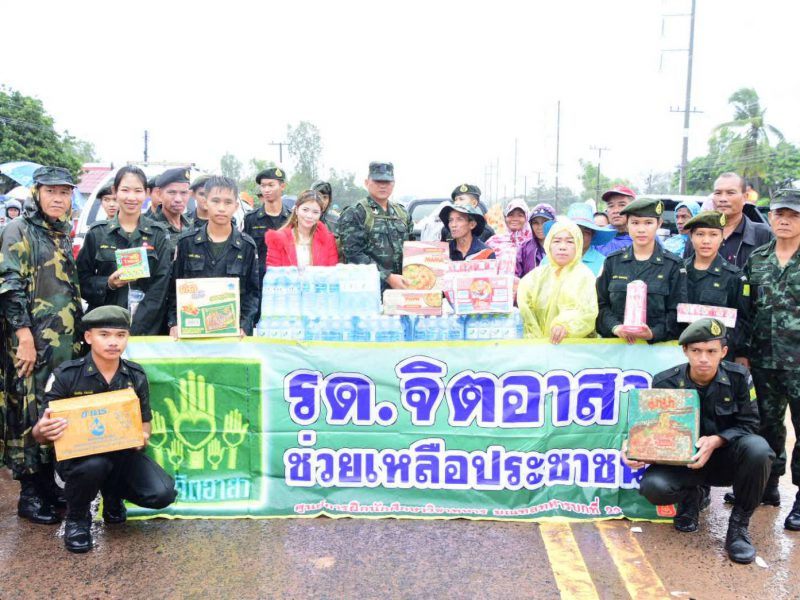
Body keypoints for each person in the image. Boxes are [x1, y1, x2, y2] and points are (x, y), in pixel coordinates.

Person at [622, 318, 774, 564]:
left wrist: (717, 440)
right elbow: (645, 426)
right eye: (696, 351)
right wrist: (632, 447)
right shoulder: (665, 382)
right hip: (683, 462)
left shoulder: (739, 378)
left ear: (723, 352)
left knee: (758, 450)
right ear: (685, 351)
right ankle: (692, 497)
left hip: (725, 459)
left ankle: (738, 529)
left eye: (711, 351)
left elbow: (749, 424)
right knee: (654, 488)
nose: (704, 358)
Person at [32, 306, 177, 553]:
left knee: (162, 494)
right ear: (89, 337)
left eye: (120, 335)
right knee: (94, 465)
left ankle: (112, 495)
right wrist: (43, 430)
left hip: (122, 455)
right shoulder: (66, 376)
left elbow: (145, 422)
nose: (113, 342)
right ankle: (77, 519)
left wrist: (142, 437)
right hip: (79, 459)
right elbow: (39, 434)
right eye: (105, 334)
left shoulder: (135, 375)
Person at [0, 166, 83, 525]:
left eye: (64, 192)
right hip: (30, 341)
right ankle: (30, 495)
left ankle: (48, 486)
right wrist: (23, 337)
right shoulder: (18, 229)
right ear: (36, 193)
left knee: (51, 410)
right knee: (27, 410)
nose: (57, 198)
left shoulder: (59, 232)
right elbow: (9, 284)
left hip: (60, 344)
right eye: (50, 191)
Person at [739, 188, 800, 530]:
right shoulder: (758, 259)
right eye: (780, 214)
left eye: (793, 215)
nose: (785, 221)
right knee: (767, 426)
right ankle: (769, 486)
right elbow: (747, 311)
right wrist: (744, 352)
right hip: (763, 359)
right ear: (771, 217)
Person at [77, 166, 172, 335]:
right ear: (115, 191)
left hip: (146, 330)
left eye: (138, 191)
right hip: (106, 327)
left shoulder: (158, 234)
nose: (131, 197)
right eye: (125, 190)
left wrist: (136, 326)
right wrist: (108, 284)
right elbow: (81, 281)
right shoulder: (98, 233)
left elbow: (161, 286)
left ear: (147, 193)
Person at [168, 176, 259, 336]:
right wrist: (174, 322)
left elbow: (252, 294)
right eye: (215, 201)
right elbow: (173, 288)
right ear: (205, 202)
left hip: (232, 332)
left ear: (236, 206)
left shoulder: (246, 246)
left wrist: (244, 326)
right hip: (192, 328)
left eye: (228, 202)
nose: (221, 208)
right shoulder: (186, 243)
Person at [596, 198, 687, 343]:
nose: (641, 229)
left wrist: (653, 333)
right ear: (627, 225)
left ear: (659, 224)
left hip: (657, 349)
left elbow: (678, 312)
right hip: (616, 347)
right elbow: (600, 305)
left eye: (648, 223)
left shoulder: (673, 265)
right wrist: (615, 327)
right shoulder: (612, 262)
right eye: (635, 223)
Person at [682, 211, 751, 362]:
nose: (706, 240)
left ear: (722, 237)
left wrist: (737, 351)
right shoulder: (678, 272)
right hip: (678, 352)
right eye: (700, 234)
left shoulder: (734, 277)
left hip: (719, 357)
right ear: (691, 237)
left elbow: (742, 320)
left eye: (713, 234)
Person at [517, 217, 598, 342]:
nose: (562, 247)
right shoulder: (536, 277)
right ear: (548, 245)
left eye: (570, 242)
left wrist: (566, 326)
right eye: (557, 241)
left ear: (578, 245)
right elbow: (526, 308)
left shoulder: (585, 276)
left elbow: (587, 314)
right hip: (538, 349)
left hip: (573, 349)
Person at [338, 161, 414, 291]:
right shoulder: (356, 213)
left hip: (401, 289)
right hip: (368, 290)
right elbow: (353, 254)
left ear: (393, 184)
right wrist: (388, 277)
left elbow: (412, 248)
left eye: (387, 182)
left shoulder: (402, 213)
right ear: (367, 182)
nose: (382, 186)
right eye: (378, 181)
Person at [243, 167, 291, 297]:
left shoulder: (292, 219)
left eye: (271, 185)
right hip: (258, 284)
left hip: (288, 283)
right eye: (263, 186)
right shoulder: (251, 219)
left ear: (282, 186)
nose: (266, 190)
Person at [708, 172, 772, 269]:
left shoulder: (764, 235)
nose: (723, 199)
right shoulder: (699, 233)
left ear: (744, 197)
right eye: (718, 193)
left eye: (730, 193)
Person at [266, 190, 338, 270]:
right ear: (296, 210)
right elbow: (273, 275)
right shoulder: (278, 239)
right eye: (305, 210)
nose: (309, 216)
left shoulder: (328, 240)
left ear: (320, 214)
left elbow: (331, 273)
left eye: (315, 212)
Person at [540, 203, 615, 276]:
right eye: (575, 230)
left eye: (585, 232)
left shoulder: (603, 263)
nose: (580, 236)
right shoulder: (549, 260)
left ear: (592, 235)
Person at [149, 167, 193, 254]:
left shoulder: (192, 225)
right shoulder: (149, 228)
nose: (178, 199)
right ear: (159, 194)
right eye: (172, 192)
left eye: (184, 193)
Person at [516, 203, 555, 277]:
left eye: (545, 222)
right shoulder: (524, 248)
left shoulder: (560, 246)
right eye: (535, 223)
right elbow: (517, 275)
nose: (540, 227)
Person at [596, 185, 636, 256]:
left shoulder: (644, 236)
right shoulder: (599, 237)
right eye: (611, 206)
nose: (615, 210)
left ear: (633, 208)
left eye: (622, 205)